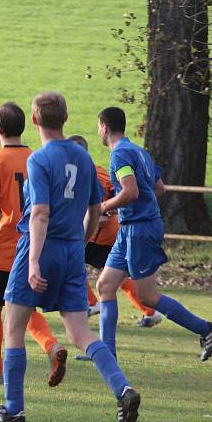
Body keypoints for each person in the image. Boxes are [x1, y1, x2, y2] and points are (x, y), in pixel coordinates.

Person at [0, 92, 141, 422]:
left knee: (14, 326)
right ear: (65, 119)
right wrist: (79, 242)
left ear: (35, 121)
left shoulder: (38, 159)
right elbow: (96, 209)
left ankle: (13, 408)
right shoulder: (83, 159)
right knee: (80, 332)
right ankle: (122, 388)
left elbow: (39, 214)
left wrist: (34, 260)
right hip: (70, 251)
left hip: (40, 246)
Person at [95, 107, 212, 362]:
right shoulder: (138, 151)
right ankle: (107, 354)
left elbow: (130, 192)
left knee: (147, 296)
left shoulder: (119, 155)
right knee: (105, 285)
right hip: (132, 226)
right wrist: (130, 209)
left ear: (104, 127)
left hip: (139, 229)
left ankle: (205, 329)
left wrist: (105, 207)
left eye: (98, 127)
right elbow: (158, 188)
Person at [0, 102, 67, 387]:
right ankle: (51, 345)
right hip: (31, 247)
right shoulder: (38, 158)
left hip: (1, 248)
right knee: (23, 306)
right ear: (25, 126)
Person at [68, 134, 161, 329]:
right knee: (115, 275)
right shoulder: (100, 171)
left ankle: (91, 304)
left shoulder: (81, 174)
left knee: (69, 260)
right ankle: (150, 311)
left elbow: (100, 204)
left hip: (97, 232)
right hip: (111, 231)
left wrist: (100, 214)